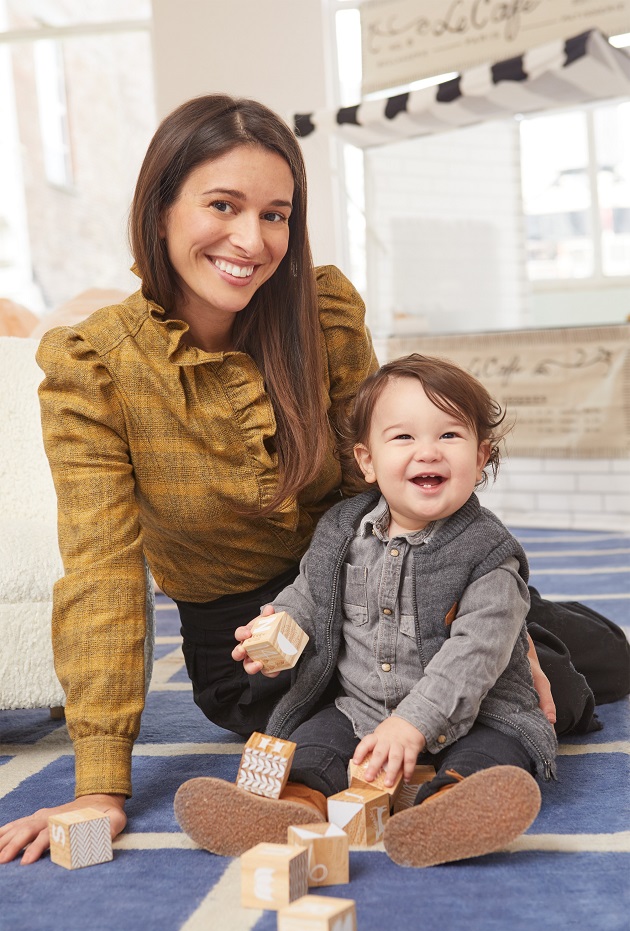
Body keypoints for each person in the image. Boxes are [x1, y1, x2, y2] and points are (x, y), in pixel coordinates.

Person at [0, 95, 626, 866]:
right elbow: (101, 572)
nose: (251, 240)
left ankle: (520, 630)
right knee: (385, 718)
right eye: (222, 206)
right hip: (256, 646)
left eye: (276, 214)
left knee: (586, 658)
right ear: (160, 209)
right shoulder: (92, 368)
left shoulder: (322, 312)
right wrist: (101, 784)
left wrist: (494, 626)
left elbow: (382, 481)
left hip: (390, 577)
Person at [173, 354, 558, 867]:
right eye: (403, 438)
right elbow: (311, 594)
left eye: (449, 436)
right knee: (314, 745)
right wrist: (276, 627)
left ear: (482, 455)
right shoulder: (342, 531)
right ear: (367, 461)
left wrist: (414, 724)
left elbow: (476, 653)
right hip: (364, 708)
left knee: (496, 752)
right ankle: (292, 807)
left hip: (479, 709)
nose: (428, 452)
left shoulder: (490, 555)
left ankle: (450, 808)